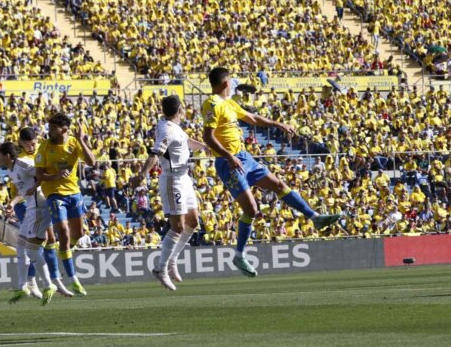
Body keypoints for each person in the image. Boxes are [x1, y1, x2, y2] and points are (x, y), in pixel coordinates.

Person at [202, 67, 341, 277]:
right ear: (225, 84)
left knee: (279, 185)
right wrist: (229, 157)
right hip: (227, 161)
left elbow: (253, 119)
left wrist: (279, 124)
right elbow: (207, 137)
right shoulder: (212, 103)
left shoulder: (229, 103)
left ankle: (314, 217)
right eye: (230, 81)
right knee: (251, 209)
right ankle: (239, 255)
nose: (232, 85)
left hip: (244, 157)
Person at [131, 94, 208, 290]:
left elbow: (185, 141)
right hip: (172, 179)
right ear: (180, 110)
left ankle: (172, 260)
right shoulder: (167, 130)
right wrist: (141, 175)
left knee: (193, 222)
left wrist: (204, 146)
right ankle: (160, 268)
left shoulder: (174, 127)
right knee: (178, 226)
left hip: (184, 178)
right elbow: (155, 153)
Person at [0, 132, 70, 305]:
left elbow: (41, 174)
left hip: (39, 207)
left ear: (7, 156)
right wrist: (13, 203)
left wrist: (58, 176)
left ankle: (48, 284)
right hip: (31, 206)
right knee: (21, 247)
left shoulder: (24, 164)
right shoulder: (11, 168)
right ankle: (22, 285)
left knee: (31, 250)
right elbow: (25, 190)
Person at [35, 113, 96, 296]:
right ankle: (73, 278)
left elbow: (92, 162)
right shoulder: (44, 146)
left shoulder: (73, 143)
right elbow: (39, 175)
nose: (49, 131)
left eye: (53, 128)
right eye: (49, 127)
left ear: (64, 129)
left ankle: (65, 253)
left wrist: (81, 140)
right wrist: (54, 177)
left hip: (74, 193)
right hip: (54, 194)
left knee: (77, 234)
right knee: (62, 230)